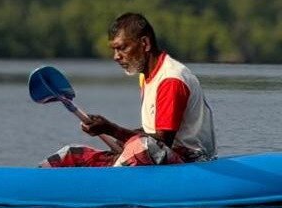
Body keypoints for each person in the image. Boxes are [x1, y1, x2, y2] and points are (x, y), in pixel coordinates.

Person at [41, 12, 217, 167]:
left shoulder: (171, 79)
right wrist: (114, 132)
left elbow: (162, 142)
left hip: (192, 162)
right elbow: (153, 133)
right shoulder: (146, 76)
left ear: (144, 43)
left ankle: (107, 184)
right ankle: (35, 182)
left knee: (142, 146)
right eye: (114, 50)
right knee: (71, 154)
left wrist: (111, 129)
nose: (116, 56)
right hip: (158, 155)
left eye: (122, 48)